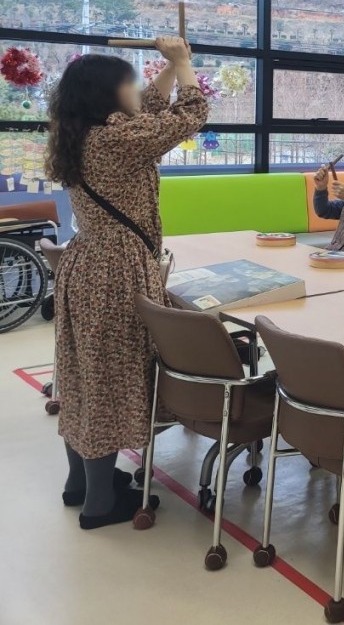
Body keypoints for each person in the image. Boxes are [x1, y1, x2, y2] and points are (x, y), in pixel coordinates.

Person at [47, 38, 209, 528]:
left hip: (85, 263)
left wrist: (167, 68)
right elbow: (191, 115)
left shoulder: (83, 133)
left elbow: (151, 109)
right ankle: (100, 503)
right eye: (129, 83)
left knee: (84, 376)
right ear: (108, 93)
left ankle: (81, 482)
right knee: (109, 382)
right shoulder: (116, 141)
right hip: (116, 271)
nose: (137, 89)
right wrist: (183, 64)